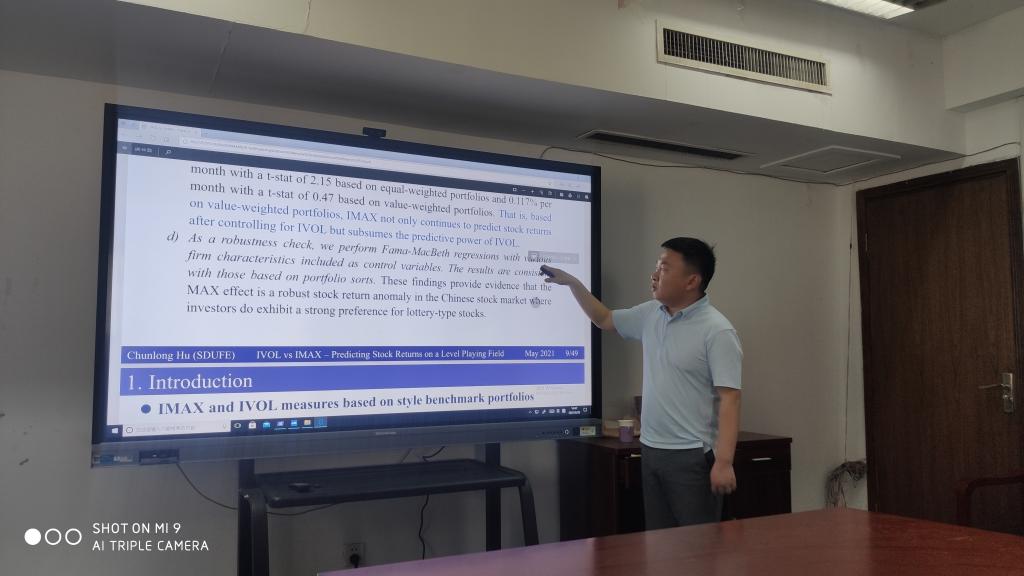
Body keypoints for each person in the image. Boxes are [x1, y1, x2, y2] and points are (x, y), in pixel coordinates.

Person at [541, 237, 742, 529]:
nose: (655, 274)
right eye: (657, 266)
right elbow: (604, 319)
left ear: (692, 281)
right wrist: (573, 283)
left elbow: (730, 399)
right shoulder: (651, 314)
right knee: (659, 543)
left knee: (698, 546)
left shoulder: (717, 331)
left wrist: (723, 463)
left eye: (664, 268)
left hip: (690, 455)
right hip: (651, 449)